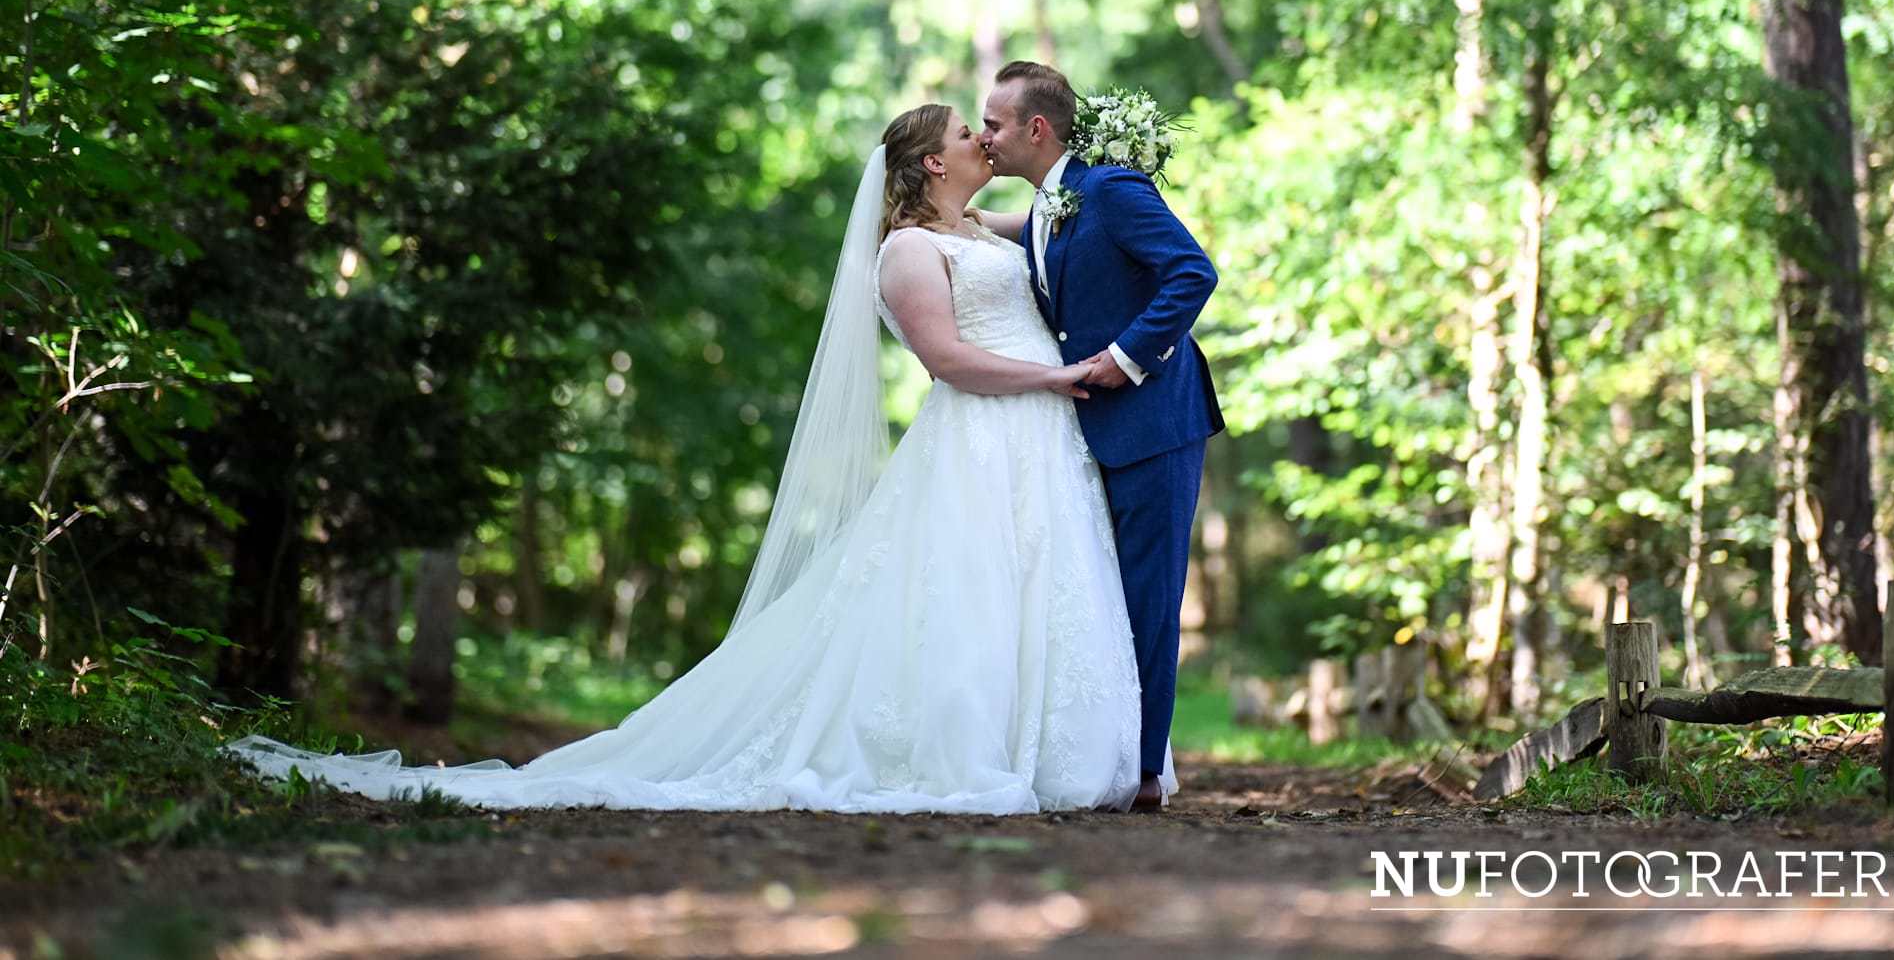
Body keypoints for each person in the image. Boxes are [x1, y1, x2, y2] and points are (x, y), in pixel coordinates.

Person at [226, 103, 1153, 813]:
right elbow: (945, 361)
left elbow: (1056, 236)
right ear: (926, 161)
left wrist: (1104, 164)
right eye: (965, 131)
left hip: (1039, 439)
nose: (980, 140)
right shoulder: (907, 250)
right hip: (981, 437)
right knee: (965, 595)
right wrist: (1054, 376)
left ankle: (1054, 751)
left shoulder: (976, 231)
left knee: (1035, 585)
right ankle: (958, 747)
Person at [978, 61, 1224, 813]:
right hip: (1087, 433)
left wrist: (1124, 358)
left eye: (994, 124)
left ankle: (1146, 775)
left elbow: (1192, 272)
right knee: (1100, 600)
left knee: (1149, 599)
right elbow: (1048, 250)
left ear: (1036, 128)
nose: (985, 137)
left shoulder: (1113, 189)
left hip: (1154, 422)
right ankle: (1106, 753)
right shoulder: (1057, 205)